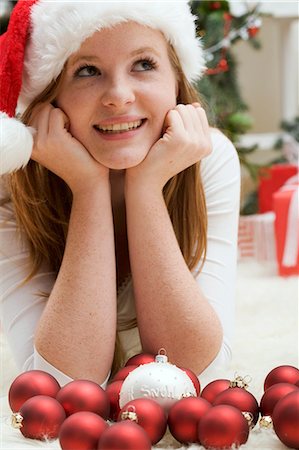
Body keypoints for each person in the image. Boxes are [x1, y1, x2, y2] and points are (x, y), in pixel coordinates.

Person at [0, 0, 240, 389]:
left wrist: (145, 189)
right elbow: (60, 386)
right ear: (51, 97)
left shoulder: (209, 160)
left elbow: (199, 374)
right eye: (87, 70)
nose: (119, 95)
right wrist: (88, 187)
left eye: (143, 64)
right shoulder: (10, 184)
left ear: (176, 81)